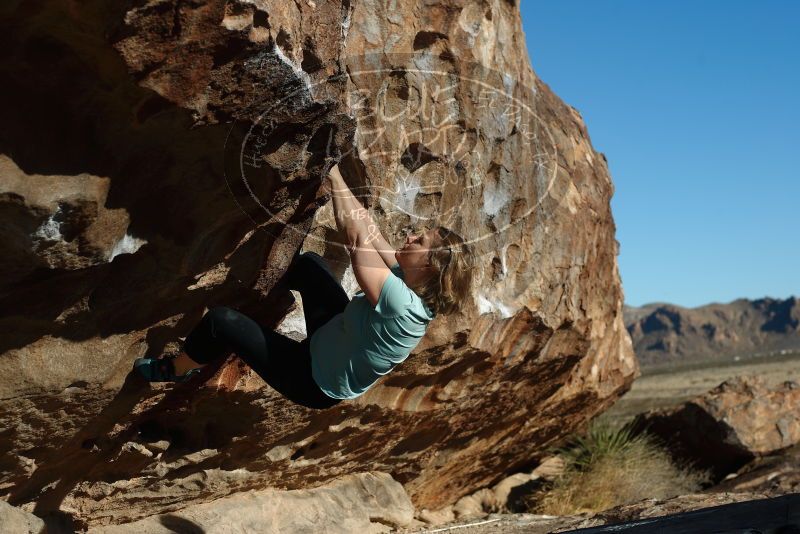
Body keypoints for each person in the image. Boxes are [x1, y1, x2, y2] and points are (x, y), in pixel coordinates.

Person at [134, 163, 473, 409]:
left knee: (221, 322)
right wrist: (333, 167)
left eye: (420, 241)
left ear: (429, 266)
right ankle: (263, 299)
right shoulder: (412, 281)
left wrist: (333, 172)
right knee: (310, 265)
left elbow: (355, 239)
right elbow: (368, 230)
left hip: (314, 378)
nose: (411, 236)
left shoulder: (403, 307)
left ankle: (177, 370)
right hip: (336, 332)